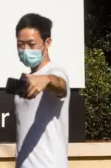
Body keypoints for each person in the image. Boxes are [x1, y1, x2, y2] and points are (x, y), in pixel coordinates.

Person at [14, 13, 70, 168]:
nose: (25, 50)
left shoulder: (55, 71)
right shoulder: (27, 78)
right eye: (20, 44)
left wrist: (47, 80)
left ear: (47, 43)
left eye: (31, 44)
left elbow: (60, 86)